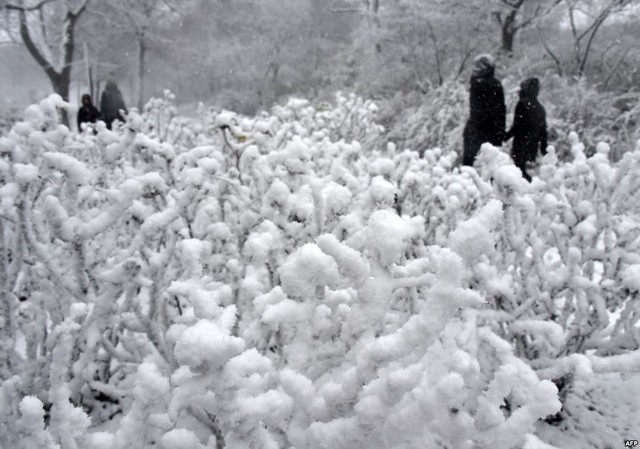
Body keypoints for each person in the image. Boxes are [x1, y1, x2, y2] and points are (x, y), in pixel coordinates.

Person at [462, 54, 506, 166]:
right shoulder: (496, 84)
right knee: (489, 166)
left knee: (469, 164)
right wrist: (499, 133)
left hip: (477, 130)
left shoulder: (477, 84)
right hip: (491, 131)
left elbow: (477, 111)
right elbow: (500, 111)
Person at [505, 77, 548, 182]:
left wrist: (504, 137)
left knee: (518, 173)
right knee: (526, 174)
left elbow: (517, 126)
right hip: (532, 146)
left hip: (520, 145)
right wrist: (544, 149)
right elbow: (543, 132)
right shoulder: (540, 108)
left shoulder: (522, 104)